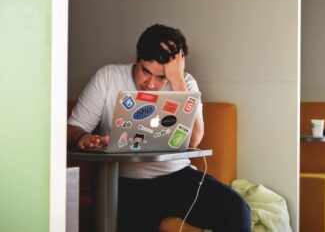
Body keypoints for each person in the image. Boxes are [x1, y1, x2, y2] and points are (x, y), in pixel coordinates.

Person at [67, 24, 251, 232]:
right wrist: (83, 137)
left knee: (236, 208)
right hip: (125, 182)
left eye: (161, 77)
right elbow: (72, 129)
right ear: (137, 58)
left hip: (177, 177)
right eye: (146, 71)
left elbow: (193, 141)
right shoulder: (108, 77)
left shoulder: (185, 83)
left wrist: (177, 81)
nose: (151, 84)